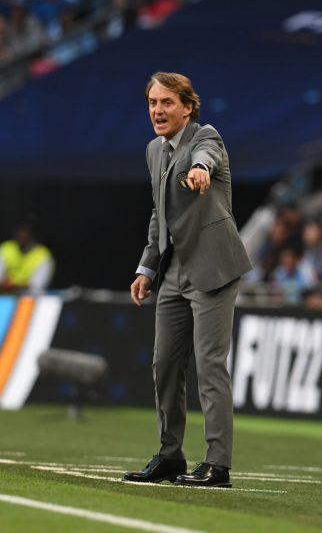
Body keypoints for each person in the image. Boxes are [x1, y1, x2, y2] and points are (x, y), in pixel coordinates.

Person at [124, 72, 252, 488]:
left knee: (210, 365)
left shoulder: (206, 136)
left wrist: (199, 168)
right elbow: (159, 214)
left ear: (188, 107)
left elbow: (206, 155)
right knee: (164, 364)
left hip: (212, 269)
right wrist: (147, 267)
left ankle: (218, 464)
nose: (157, 111)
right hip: (173, 271)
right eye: (152, 103)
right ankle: (170, 455)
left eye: (167, 102)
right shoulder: (153, 150)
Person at [0, 220, 54, 292]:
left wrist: (11, 287)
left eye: (26, 233)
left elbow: (36, 287)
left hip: (30, 297)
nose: (22, 236)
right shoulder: (5, 248)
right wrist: (6, 286)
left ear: (33, 236)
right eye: (20, 232)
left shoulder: (43, 255)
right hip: (4, 295)